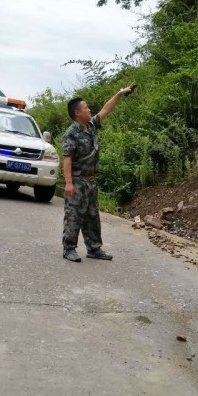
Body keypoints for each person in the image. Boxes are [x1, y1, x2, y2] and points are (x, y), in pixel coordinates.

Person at [61, 84, 137, 262]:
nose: (89, 109)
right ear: (77, 113)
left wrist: (120, 93)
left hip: (91, 181)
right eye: (86, 107)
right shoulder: (71, 134)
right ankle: (69, 248)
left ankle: (94, 249)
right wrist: (69, 183)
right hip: (78, 181)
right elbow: (67, 159)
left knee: (92, 216)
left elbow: (106, 109)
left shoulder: (91, 125)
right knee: (73, 215)